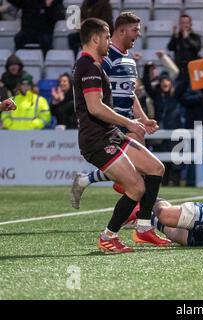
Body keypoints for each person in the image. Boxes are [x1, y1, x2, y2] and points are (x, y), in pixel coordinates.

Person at [72, 18, 166, 253]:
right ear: (95, 39)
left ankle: (144, 228)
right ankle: (108, 236)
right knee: (135, 187)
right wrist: (130, 123)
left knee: (156, 168)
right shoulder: (89, 67)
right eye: (106, 37)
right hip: (97, 140)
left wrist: (136, 122)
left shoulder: (95, 64)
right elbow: (95, 108)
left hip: (111, 134)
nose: (108, 41)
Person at [167, 14, 202, 80]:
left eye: (186, 23)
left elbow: (197, 48)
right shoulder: (177, 36)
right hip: (179, 70)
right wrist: (174, 37)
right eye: (182, 23)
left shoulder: (195, 37)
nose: (184, 25)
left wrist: (187, 38)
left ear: (190, 24)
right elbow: (170, 48)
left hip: (192, 70)